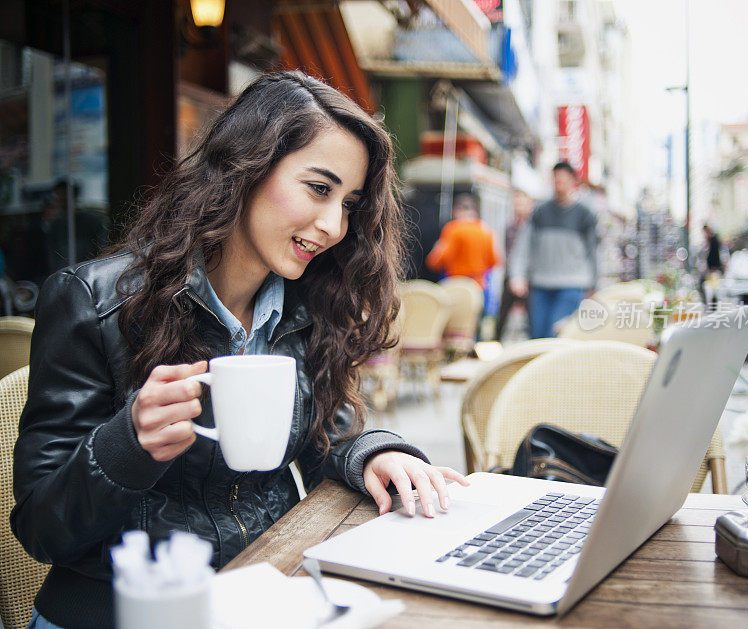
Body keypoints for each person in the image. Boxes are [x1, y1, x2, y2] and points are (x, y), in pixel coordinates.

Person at [12, 71, 467, 629]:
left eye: (350, 204)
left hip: (264, 596)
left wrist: (375, 451)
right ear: (244, 168)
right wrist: (128, 443)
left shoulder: (308, 304)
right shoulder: (94, 301)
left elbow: (328, 433)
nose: (333, 226)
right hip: (122, 613)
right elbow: (40, 527)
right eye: (319, 189)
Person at [507, 161, 598, 339]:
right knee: (537, 336)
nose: (559, 185)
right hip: (541, 284)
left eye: (563, 180)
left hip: (572, 284)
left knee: (556, 334)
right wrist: (517, 276)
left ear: (573, 181)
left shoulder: (585, 214)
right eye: (556, 180)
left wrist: (594, 284)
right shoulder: (540, 212)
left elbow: (594, 252)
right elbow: (523, 246)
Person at [425, 192, 501, 290]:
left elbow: (434, 261)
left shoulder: (453, 229)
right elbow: (494, 261)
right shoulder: (486, 229)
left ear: (458, 210)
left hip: (457, 286)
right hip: (479, 285)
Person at [494, 190, 534, 341]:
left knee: (532, 318)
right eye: (516, 203)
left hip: (530, 277)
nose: (519, 206)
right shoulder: (509, 226)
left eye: (522, 203)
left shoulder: (533, 227)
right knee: (502, 316)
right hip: (510, 274)